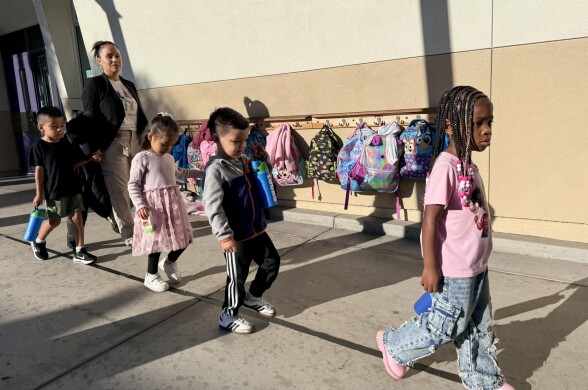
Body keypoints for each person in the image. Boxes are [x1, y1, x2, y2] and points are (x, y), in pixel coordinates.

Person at [376, 86, 514, 390]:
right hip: (454, 268)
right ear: (450, 125)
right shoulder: (444, 167)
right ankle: (394, 345)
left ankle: (483, 380)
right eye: (478, 123)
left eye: (490, 122)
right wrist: (430, 266)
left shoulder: (468, 165)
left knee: (478, 325)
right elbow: (430, 220)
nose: (487, 130)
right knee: (446, 324)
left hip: (476, 263)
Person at [203, 107, 281, 334]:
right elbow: (213, 207)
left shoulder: (245, 160)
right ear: (217, 139)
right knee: (237, 277)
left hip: (256, 229)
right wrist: (224, 236)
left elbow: (265, 177)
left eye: (245, 140)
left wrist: (263, 158)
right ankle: (228, 315)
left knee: (272, 263)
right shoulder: (216, 170)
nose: (242, 146)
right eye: (236, 141)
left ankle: (254, 296)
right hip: (235, 237)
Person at [82, 40, 148, 246]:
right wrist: (92, 148)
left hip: (136, 139)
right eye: (109, 56)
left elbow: (139, 115)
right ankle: (130, 234)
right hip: (114, 142)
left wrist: (147, 139)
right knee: (120, 190)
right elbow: (88, 117)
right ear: (99, 60)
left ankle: (144, 226)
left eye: (117, 55)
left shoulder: (129, 85)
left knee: (139, 186)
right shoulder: (96, 84)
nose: (114, 60)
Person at [128, 113, 203, 292]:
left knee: (185, 237)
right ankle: (151, 275)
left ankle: (169, 262)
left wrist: (201, 172)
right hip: (154, 208)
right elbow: (133, 185)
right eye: (164, 144)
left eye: (171, 145)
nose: (167, 148)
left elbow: (179, 173)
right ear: (151, 136)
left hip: (173, 205)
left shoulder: (168, 158)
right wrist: (140, 206)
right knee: (156, 242)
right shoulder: (142, 158)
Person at [28, 106, 100, 264]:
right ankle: (38, 240)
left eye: (62, 125)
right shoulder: (38, 147)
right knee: (55, 221)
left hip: (73, 186)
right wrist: (39, 193)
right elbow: (39, 172)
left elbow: (73, 164)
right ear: (41, 128)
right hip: (54, 190)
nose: (60, 130)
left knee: (77, 216)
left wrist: (90, 158)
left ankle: (80, 250)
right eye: (54, 127)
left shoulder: (66, 143)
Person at [64, 111, 114, 254]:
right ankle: (73, 241)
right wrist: (91, 157)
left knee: (97, 204)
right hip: (78, 179)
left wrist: (94, 156)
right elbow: (74, 161)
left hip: (90, 175)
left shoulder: (84, 128)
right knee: (80, 210)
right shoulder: (76, 132)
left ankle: (73, 240)